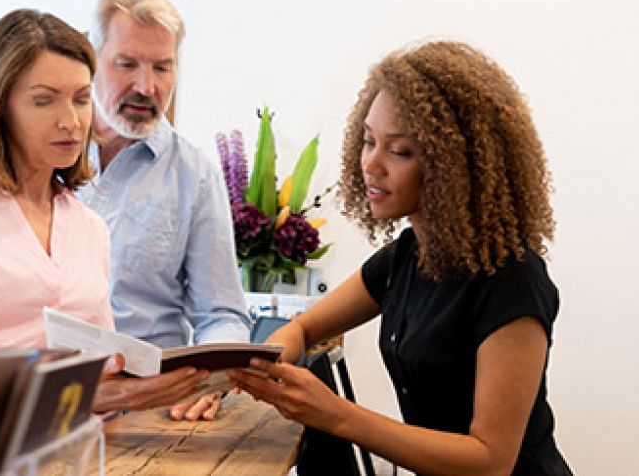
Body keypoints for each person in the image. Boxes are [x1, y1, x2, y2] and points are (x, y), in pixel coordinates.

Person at [0, 9, 207, 476]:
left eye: (81, 99)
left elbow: (102, 362)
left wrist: (137, 382)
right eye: (44, 100)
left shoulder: (89, 227)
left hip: (54, 462)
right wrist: (88, 392)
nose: (71, 121)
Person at [229, 41, 572, 475]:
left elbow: (490, 461)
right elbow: (305, 326)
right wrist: (259, 368)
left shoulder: (512, 280)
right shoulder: (405, 258)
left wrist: (333, 413)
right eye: (369, 141)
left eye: (400, 151)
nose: (371, 165)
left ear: (453, 165)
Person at [79, 0, 251, 421]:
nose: (147, 86)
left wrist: (211, 382)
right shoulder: (45, 157)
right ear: (91, 60)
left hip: (153, 418)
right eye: (127, 64)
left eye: (162, 67)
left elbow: (223, 313)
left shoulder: (194, 175)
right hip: (52, 412)